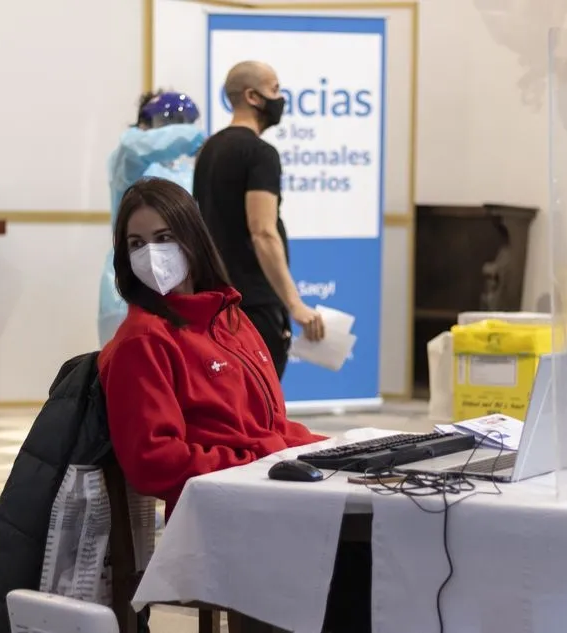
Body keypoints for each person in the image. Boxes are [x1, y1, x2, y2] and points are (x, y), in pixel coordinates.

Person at [98, 178, 370, 632]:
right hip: (220, 516)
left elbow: (270, 427)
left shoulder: (231, 318)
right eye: (136, 243)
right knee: (342, 557)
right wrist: (258, 459)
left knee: (378, 542)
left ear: (192, 238)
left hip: (268, 495)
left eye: (164, 238)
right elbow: (153, 461)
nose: (152, 253)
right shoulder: (143, 341)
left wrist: (333, 448)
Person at [193, 61, 324, 379]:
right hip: (254, 306)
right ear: (252, 96)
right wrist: (295, 305)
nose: (280, 98)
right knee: (260, 406)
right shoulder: (260, 154)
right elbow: (262, 231)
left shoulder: (208, 150)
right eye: (275, 89)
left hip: (214, 304)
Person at [98, 90, 206, 347]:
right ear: (143, 125)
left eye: (184, 121)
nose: (176, 129)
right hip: (131, 281)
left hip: (182, 282)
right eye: (166, 121)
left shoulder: (188, 174)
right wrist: (196, 136)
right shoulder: (128, 162)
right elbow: (134, 147)